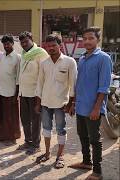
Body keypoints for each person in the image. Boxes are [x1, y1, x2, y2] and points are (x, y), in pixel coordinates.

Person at [69, 27, 112, 180]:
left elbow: (104, 87)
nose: (87, 41)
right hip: (81, 106)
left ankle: (97, 172)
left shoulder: (104, 58)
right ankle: (86, 162)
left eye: (90, 38)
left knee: (95, 139)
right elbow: (79, 84)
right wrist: (74, 103)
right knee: (82, 135)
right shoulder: (82, 58)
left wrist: (96, 108)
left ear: (97, 40)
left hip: (93, 108)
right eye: (84, 38)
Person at [34, 34, 77, 168]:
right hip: (45, 102)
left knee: (60, 130)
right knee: (46, 129)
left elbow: (73, 84)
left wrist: (71, 104)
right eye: (48, 46)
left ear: (60, 45)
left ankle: (60, 156)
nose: (51, 48)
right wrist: (38, 103)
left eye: (54, 45)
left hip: (61, 104)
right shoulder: (44, 63)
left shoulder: (69, 62)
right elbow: (40, 84)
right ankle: (47, 153)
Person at [17, 31, 49, 154]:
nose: (24, 44)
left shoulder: (41, 53)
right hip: (23, 93)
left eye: (26, 41)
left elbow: (44, 74)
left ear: (32, 39)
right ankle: (28, 141)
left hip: (35, 93)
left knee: (35, 119)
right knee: (25, 119)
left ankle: (36, 145)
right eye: (22, 42)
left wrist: (40, 95)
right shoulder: (24, 54)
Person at [0, 34, 21, 145]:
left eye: (8, 43)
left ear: (12, 44)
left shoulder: (17, 57)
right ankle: (2, 136)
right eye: (4, 44)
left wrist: (16, 94)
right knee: (2, 115)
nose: (6, 46)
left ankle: (12, 137)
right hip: (1, 90)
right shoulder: (3, 56)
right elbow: (1, 73)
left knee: (11, 116)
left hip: (11, 92)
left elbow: (18, 77)